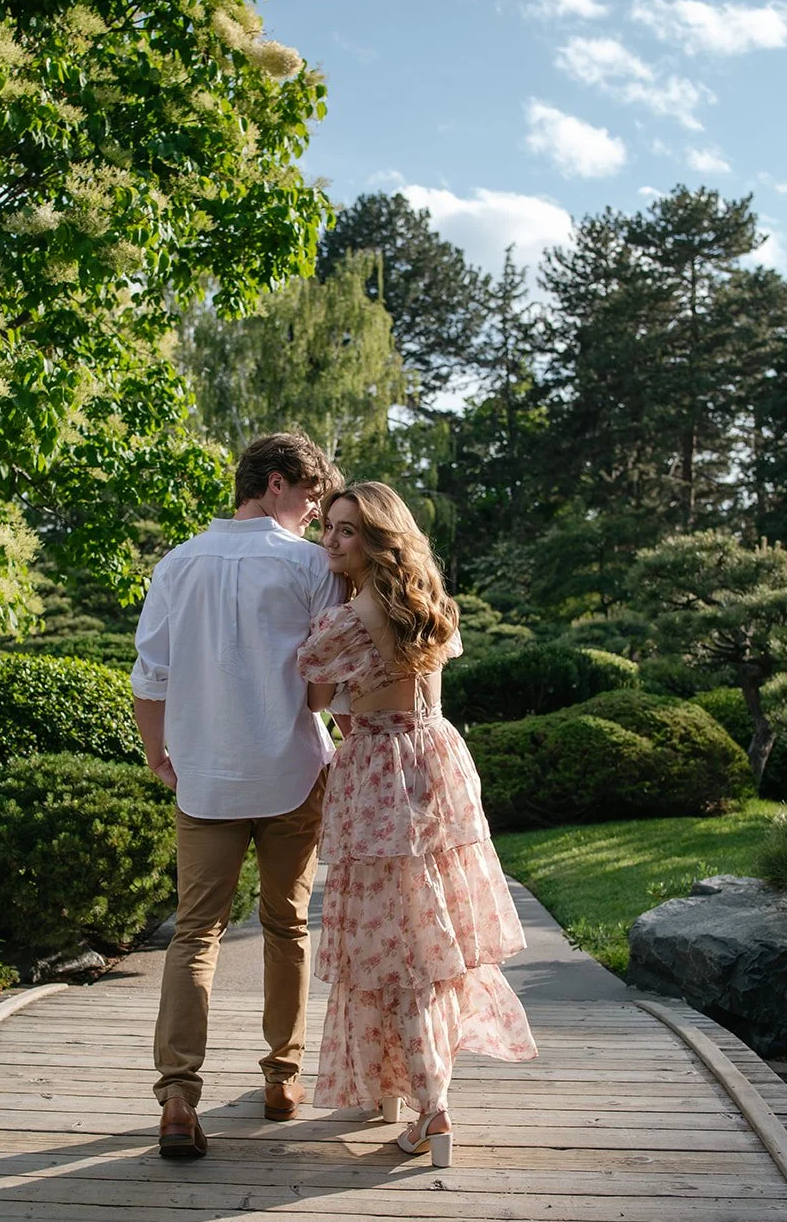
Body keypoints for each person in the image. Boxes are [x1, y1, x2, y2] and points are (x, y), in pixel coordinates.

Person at [296, 482, 537, 1167]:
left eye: (345, 532)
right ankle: (416, 1096)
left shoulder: (342, 622)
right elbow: (427, 690)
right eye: (330, 528)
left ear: (376, 540)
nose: (330, 542)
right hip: (436, 755)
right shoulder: (428, 603)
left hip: (376, 768)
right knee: (432, 936)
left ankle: (432, 1108)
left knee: (397, 948)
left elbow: (315, 695)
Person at [131, 431, 347, 1159]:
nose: (316, 513)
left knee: (196, 933)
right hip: (291, 771)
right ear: (278, 482)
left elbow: (149, 676)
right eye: (312, 495)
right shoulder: (311, 564)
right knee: (286, 925)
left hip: (206, 779)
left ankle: (177, 1097)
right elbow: (319, 690)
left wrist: (160, 756)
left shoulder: (177, 563)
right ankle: (281, 1077)